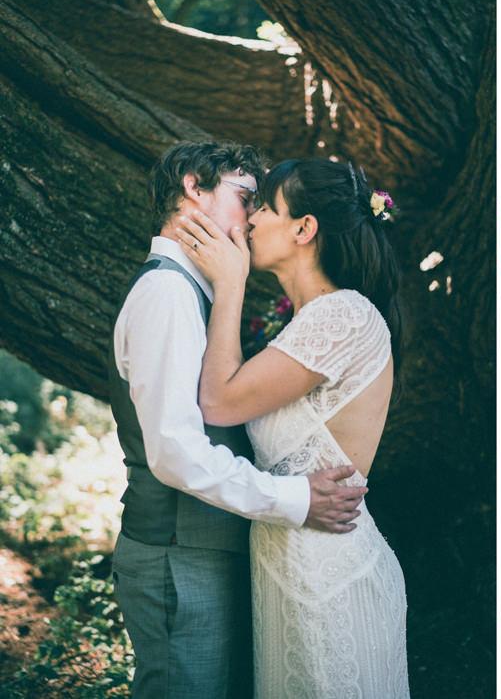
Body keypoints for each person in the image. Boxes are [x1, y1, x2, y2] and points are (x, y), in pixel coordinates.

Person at [109, 141, 365, 698]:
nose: (252, 216)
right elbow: (175, 450)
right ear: (192, 189)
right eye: (244, 196)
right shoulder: (167, 294)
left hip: (204, 552)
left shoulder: (196, 293)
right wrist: (294, 499)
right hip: (178, 556)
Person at [176, 158, 409, 698]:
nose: (250, 219)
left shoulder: (344, 315)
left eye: (266, 207)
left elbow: (218, 400)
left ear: (305, 229)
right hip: (292, 567)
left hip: (326, 578)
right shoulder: (312, 321)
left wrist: (229, 284)